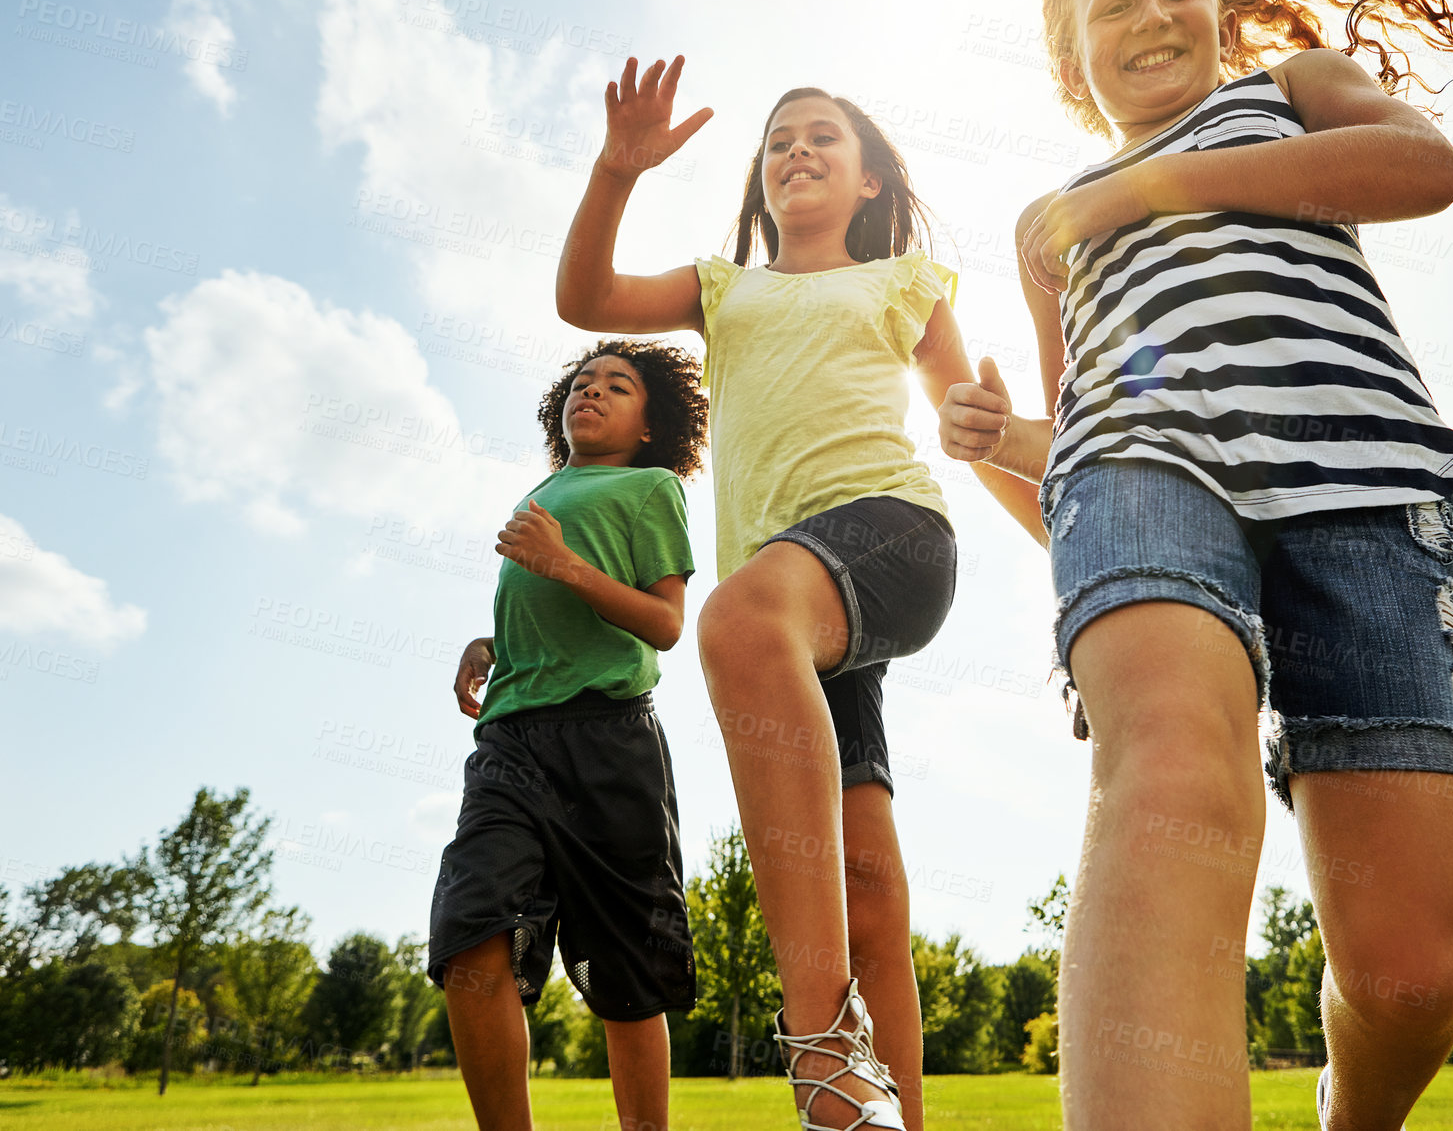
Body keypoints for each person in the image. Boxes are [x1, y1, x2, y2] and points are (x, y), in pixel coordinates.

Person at [937, 0, 1453, 1127]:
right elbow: (1084, 448)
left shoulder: (1289, 90)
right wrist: (1000, 445)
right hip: (1139, 467)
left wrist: (1168, 182)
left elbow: (1421, 167)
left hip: (1365, 483)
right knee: (1170, 766)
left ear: (1216, 9)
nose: (1152, 14)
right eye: (1112, 4)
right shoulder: (1049, 222)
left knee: (1411, 980)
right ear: (1068, 60)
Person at [554, 55, 1023, 1131]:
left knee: (736, 617)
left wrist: (1071, 554)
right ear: (760, 181)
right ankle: (892, 1113)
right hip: (800, 621)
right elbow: (585, 298)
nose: (796, 151)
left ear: (868, 180)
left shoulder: (904, 282)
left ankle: (822, 1064)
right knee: (864, 877)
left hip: (892, 538)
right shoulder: (724, 287)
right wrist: (616, 170)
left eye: (820, 136)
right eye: (777, 142)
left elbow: (977, 437)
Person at [429, 339, 708, 1131]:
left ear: (652, 425)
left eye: (618, 386)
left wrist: (562, 566)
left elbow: (663, 623)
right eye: (582, 383)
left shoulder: (651, 488)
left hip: (609, 744)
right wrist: (491, 645)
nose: (592, 392)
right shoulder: (545, 490)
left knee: (628, 974)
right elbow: (544, 610)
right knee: (469, 933)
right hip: (510, 743)